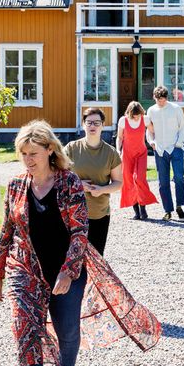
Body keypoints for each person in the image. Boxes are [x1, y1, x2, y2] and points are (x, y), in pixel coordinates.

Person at [0, 120, 161, 366]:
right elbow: (7, 229)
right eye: (23, 153)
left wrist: (68, 272)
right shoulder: (16, 185)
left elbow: (80, 231)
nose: (28, 159)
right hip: (25, 269)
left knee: (67, 331)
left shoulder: (68, 182)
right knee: (24, 329)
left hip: (65, 268)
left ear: (49, 150)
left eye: (33, 153)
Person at [64, 107, 122, 255]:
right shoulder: (71, 148)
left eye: (97, 123)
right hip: (72, 212)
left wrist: (102, 190)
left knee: (96, 258)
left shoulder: (111, 153)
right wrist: (78, 185)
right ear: (83, 124)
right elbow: (58, 177)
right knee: (72, 258)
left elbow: (118, 183)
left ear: (103, 125)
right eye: (89, 122)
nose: (92, 126)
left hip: (99, 213)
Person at [147, 85, 184, 220]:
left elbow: (183, 127)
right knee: (163, 182)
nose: (161, 102)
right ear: (154, 98)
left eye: (163, 100)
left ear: (166, 98)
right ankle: (168, 210)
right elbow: (149, 129)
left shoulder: (176, 109)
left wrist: (178, 144)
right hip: (160, 150)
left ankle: (180, 206)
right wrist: (151, 142)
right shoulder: (151, 110)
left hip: (175, 148)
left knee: (179, 178)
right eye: (159, 100)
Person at [116, 101, 157, 220]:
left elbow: (153, 132)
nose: (136, 118)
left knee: (140, 179)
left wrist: (152, 141)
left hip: (141, 153)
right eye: (134, 116)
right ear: (129, 113)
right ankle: (136, 212)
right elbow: (119, 137)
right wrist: (118, 150)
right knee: (128, 181)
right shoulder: (123, 120)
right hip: (127, 154)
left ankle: (143, 209)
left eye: (138, 115)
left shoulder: (145, 119)